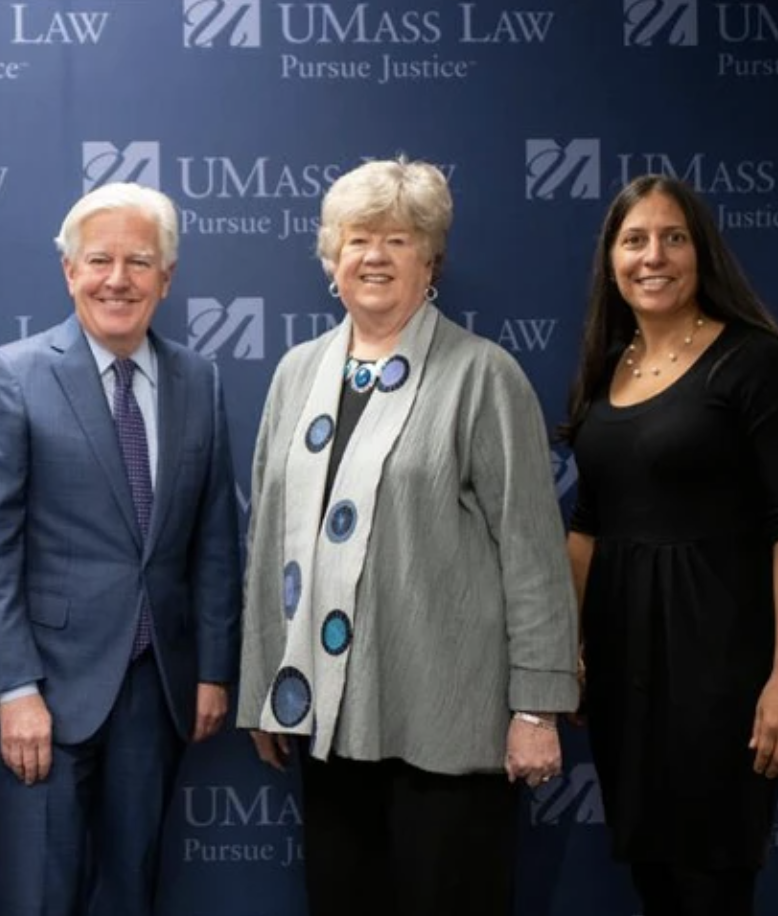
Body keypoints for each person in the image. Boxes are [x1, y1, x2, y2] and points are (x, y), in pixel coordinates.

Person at [237, 156, 577, 916]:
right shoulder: (297, 373)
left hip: (451, 721)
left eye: (398, 239)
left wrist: (536, 709)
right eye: (358, 239)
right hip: (330, 719)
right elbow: (266, 543)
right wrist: (268, 686)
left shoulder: (483, 376)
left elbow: (531, 553)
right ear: (332, 260)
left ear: (432, 261)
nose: (375, 257)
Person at [0, 182, 241, 916]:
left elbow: (214, 536)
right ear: (69, 272)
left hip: (158, 688)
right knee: (41, 898)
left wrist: (212, 668)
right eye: (100, 260)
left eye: (139, 262)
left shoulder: (199, 381)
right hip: (46, 693)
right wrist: (14, 689)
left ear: (167, 278)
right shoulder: (13, 376)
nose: (118, 279)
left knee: (132, 894)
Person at [561, 174, 778, 916]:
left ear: (701, 252)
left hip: (721, 669)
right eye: (635, 240)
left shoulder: (752, 361)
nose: (654, 256)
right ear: (611, 261)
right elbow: (587, 525)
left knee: (709, 884)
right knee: (655, 880)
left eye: (673, 237)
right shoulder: (604, 370)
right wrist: (567, 651)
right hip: (627, 672)